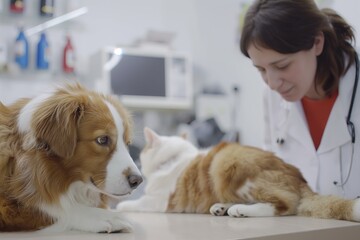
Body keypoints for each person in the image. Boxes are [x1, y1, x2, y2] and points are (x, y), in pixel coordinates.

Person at [240, 0, 360, 199]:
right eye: (261, 69)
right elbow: (272, 173)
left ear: (317, 43)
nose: (272, 83)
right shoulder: (271, 95)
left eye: (282, 66)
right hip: (301, 227)